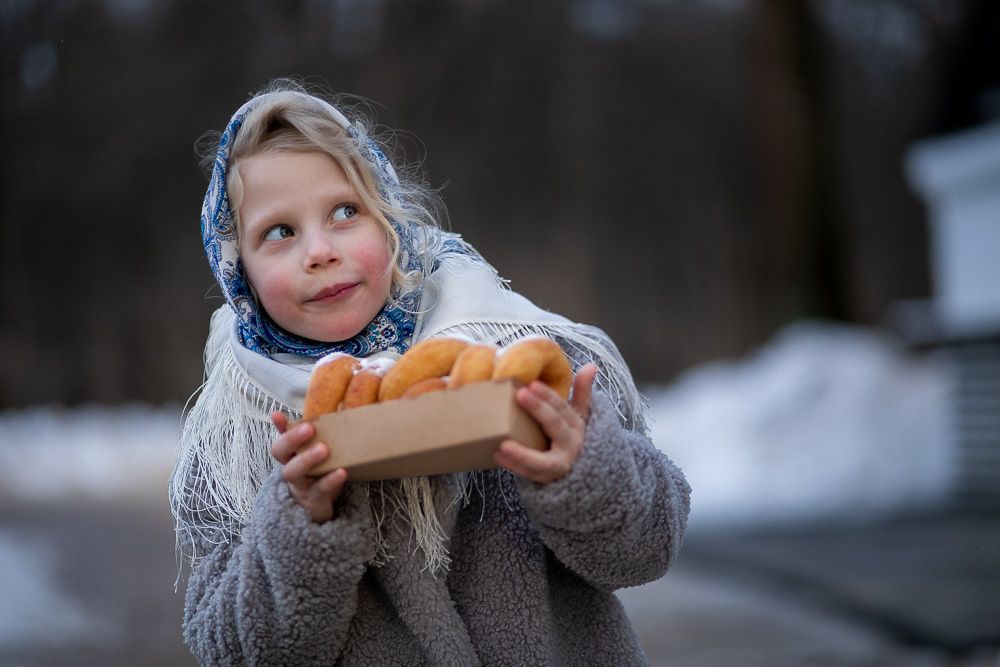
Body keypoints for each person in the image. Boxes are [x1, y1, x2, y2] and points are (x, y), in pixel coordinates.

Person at [170, 80, 691, 666]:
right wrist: (298, 525)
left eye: (345, 212)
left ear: (388, 218)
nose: (319, 250)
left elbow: (648, 549)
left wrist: (583, 472)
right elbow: (233, 651)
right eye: (280, 232)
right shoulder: (234, 438)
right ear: (239, 272)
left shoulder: (507, 350)